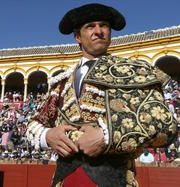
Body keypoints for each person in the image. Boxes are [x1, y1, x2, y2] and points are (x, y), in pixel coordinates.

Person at [26, 3, 177, 187]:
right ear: (77, 37)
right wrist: (47, 135)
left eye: (104, 25)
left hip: (116, 179)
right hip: (65, 180)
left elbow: (165, 127)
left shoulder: (135, 72)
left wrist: (107, 137)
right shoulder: (61, 83)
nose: (98, 31)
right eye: (90, 26)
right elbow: (34, 123)